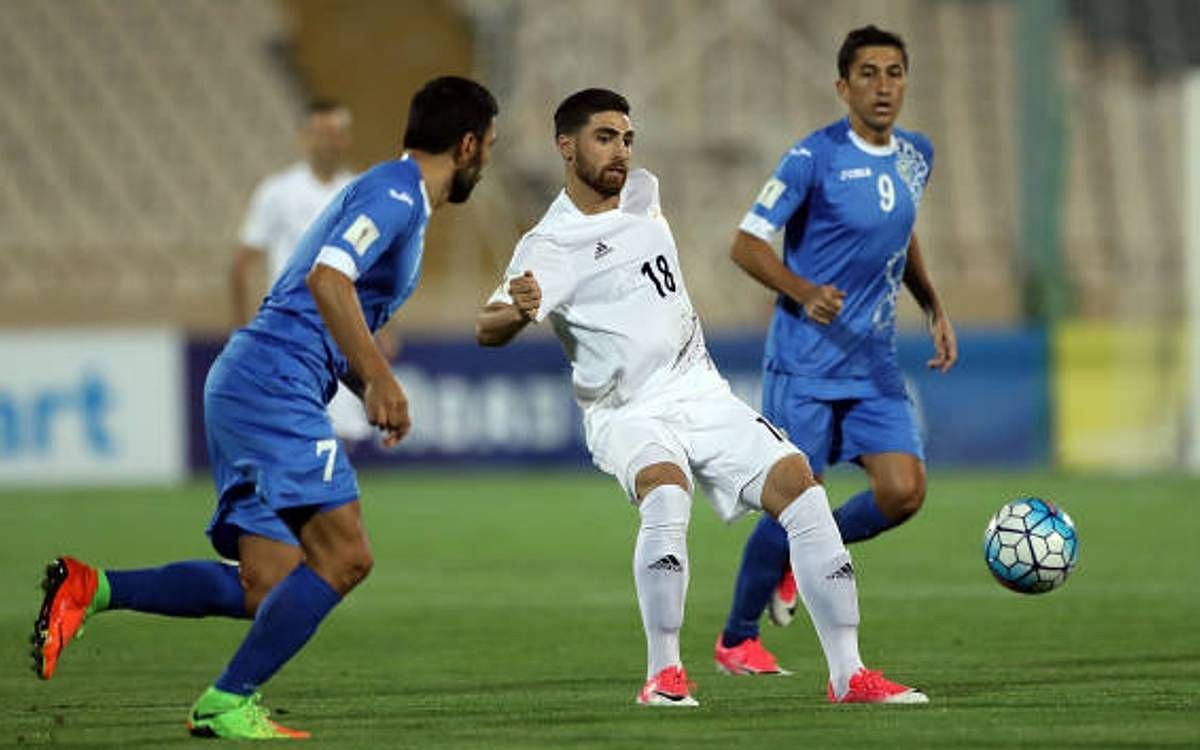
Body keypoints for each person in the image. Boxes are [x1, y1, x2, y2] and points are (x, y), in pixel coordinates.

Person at [31, 76, 498, 740]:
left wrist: (364, 383)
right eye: (490, 148)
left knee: (267, 585)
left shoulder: (394, 197)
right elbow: (327, 279)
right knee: (346, 558)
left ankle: (90, 588)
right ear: (470, 144)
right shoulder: (395, 194)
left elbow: (332, 292)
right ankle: (227, 700)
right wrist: (380, 376)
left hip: (253, 380)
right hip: (273, 384)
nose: (487, 161)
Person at [475, 87, 928, 707]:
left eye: (627, 138)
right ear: (565, 146)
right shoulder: (548, 246)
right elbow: (487, 325)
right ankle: (664, 676)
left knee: (803, 491)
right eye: (604, 137)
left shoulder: (641, 192)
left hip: (702, 393)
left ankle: (849, 674)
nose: (621, 152)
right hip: (627, 412)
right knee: (666, 492)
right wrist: (516, 312)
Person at [713, 25, 958, 677]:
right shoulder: (811, 158)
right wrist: (799, 289)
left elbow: (899, 235)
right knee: (798, 498)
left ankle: (800, 558)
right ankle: (737, 637)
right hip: (807, 362)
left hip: (873, 363)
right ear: (842, 86)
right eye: (870, 74)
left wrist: (932, 304)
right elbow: (746, 243)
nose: (884, 86)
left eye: (895, 72)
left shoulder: (916, 155)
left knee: (904, 492)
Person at [230, 99, 379, 442]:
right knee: (296, 434)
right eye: (319, 133)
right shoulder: (277, 192)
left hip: (343, 334)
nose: (327, 141)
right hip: (290, 333)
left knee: (342, 437)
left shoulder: (360, 192)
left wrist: (384, 325)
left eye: (335, 133)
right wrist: (242, 331)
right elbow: (241, 263)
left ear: (346, 139)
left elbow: (375, 266)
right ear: (304, 137)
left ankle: (321, 495)